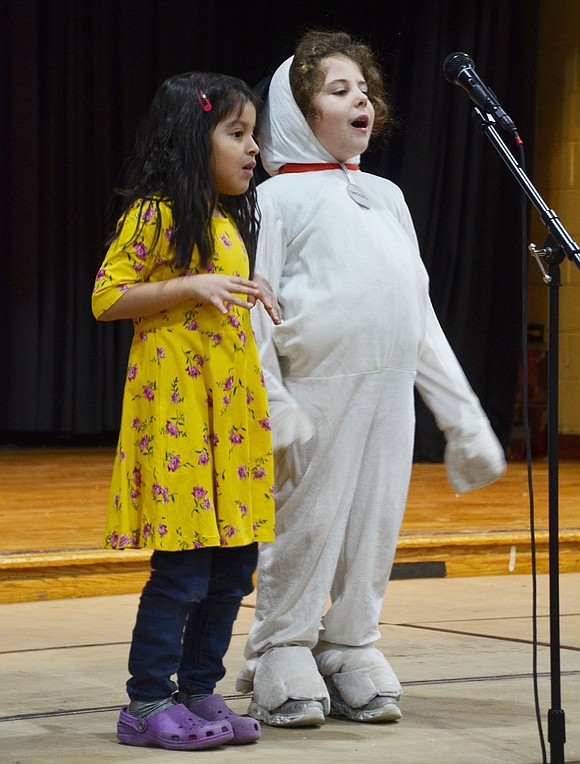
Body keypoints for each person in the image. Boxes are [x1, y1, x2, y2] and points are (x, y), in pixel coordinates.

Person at [235, 30, 507, 728]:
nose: (360, 97)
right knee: (310, 521)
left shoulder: (387, 196)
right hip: (316, 390)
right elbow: (253, 309)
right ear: (297, 112)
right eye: (337, 88)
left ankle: (352, 640)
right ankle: (281, 647)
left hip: (387, 391)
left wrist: (462, 415)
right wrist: (274, 400)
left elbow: (417, 313)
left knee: (374, 521)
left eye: (364, 88)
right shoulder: (277, 200)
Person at [92, 71, 281, 751]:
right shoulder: (157, 212)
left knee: (234, 565)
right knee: (184, 570)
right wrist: (190, 285)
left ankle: (200, 689)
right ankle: (146, 702)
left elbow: (213, 292)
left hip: (228, 423)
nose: (252, 147)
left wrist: (244, 284)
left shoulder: (227, 222)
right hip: (179, 420)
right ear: (189, 137)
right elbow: (107, 296)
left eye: (253, 134)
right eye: (236, 133)